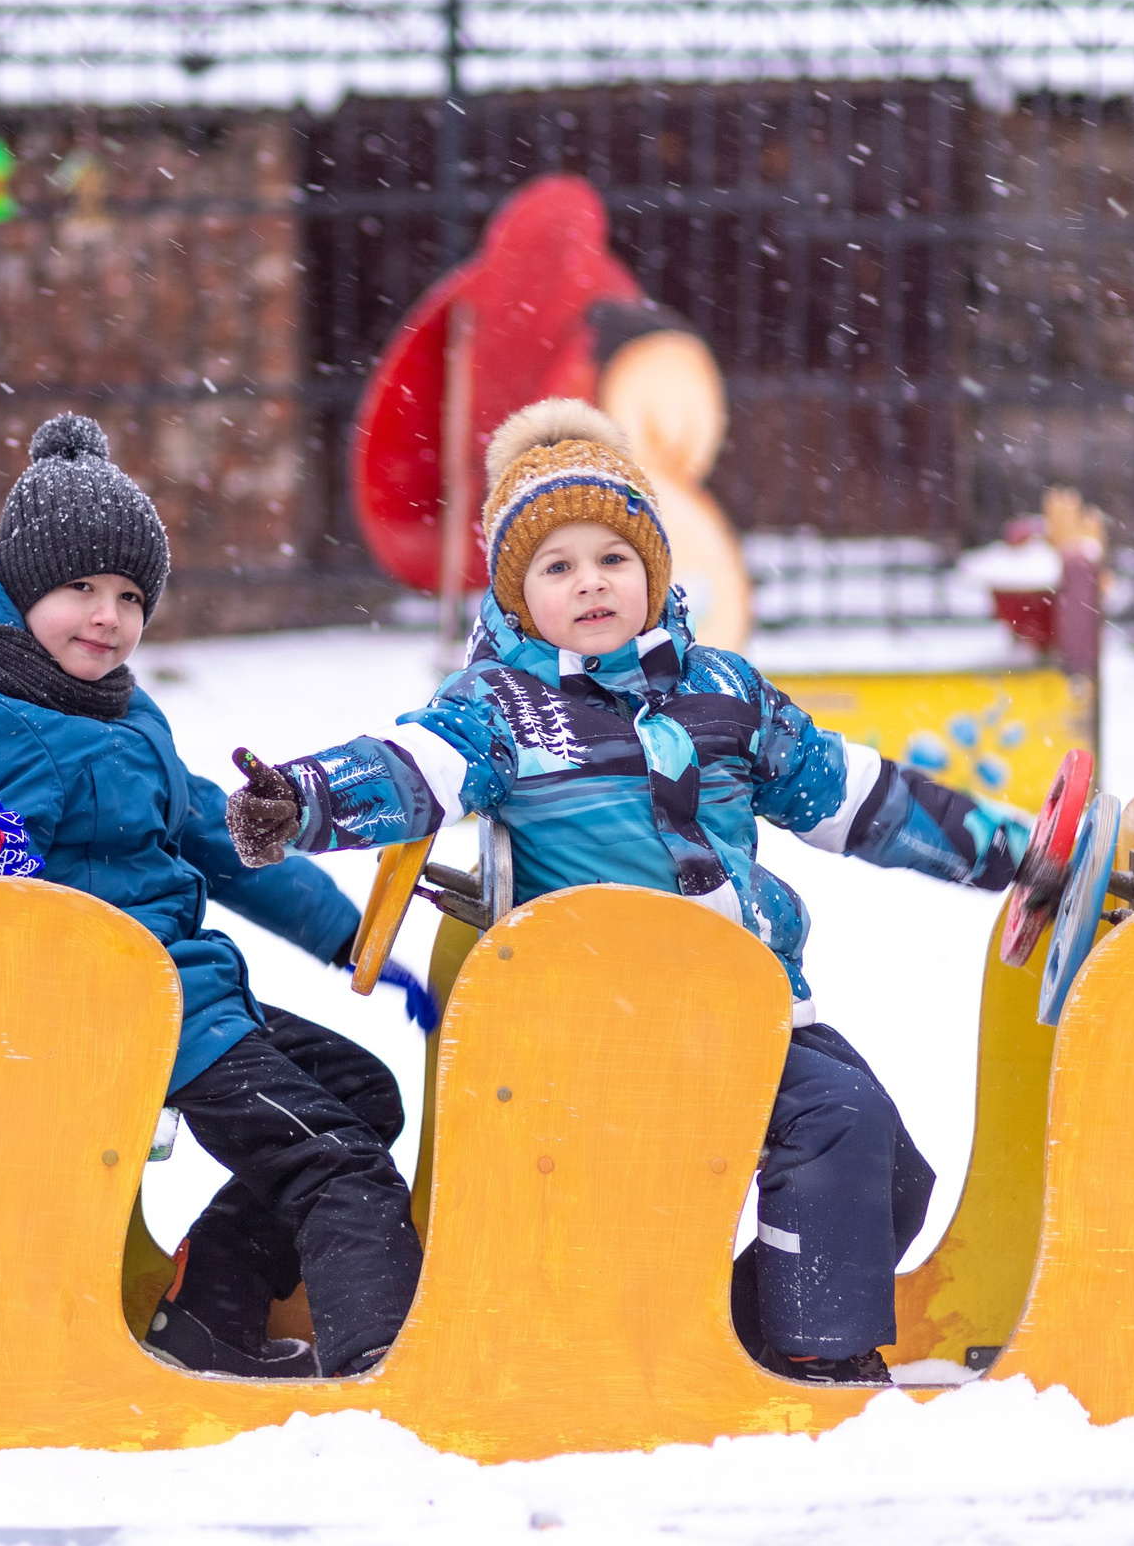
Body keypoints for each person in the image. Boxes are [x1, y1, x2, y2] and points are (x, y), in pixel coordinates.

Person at [224, 399, 1029, 1386]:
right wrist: (300, 801)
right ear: (519, 597)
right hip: (609, 1005)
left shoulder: (726, 693)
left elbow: (853, 797)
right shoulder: (500, 710)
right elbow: (408, 769)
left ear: (653, 568)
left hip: (751, 996)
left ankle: (735, 1335)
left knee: (887, 1167)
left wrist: (1004, 851)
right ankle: (820, 1357)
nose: (590, 583)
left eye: (612, 557)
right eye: (556, 567)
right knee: (836, 1126)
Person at [0, 413, 431, 1380]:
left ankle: (212, 1314)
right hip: (109, 1004)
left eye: (130, 595)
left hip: (183, 993)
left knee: (359, 1094)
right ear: (20, 591)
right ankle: (386, 1370)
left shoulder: (116, 711)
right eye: (79, 588)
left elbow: (210, 831)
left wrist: (350, 935)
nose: (107, 615)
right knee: (336, 1161)